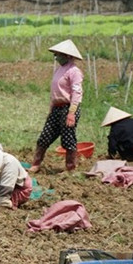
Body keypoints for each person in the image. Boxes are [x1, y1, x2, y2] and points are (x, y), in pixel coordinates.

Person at [30, 39, 84, 173]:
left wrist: (71, 113)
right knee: (45, 136)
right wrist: (51, 108)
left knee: (68, 137)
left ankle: (70, 167)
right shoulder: (59, 70)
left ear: (67, 55)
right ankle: (36, 164)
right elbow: (55, 92)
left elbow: (76, 92)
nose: (56, 57)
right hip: (57, 107)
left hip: (68, 107)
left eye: (58, 55)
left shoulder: (74, 71)